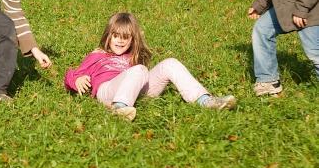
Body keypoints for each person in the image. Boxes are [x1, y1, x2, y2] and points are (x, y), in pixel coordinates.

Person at [64, 12, 236, 121]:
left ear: (133, 40)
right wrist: (77, 79)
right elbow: (72, 73)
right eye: (116, 36)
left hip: (135, 91)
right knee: (139, 69)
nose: (120, 40)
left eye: (126, 37)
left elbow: (139, 74)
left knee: (170, 63)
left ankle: (205, 100)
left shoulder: (132, 57)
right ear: (108, 36)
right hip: (107, 90)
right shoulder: (99, 54)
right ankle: (119, 108)